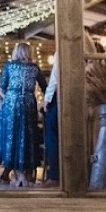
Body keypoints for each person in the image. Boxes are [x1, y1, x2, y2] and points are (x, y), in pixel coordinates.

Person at [0, 41, 47, 188]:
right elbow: (45, 88)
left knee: (12, 137)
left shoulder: (9, 66)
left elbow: (2, 87)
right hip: (29, 102)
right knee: (28, 137)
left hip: (11, 103)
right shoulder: (35, 68)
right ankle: (26, 175)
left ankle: (16, 175)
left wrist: (9, 97)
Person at [42, 54, 60, 187]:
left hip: (60, 95)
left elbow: (55, 77)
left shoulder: (62, 51)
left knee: (52, 136)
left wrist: (47, 99)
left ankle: (54, 175)